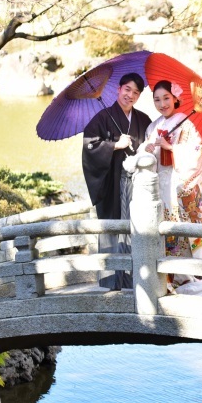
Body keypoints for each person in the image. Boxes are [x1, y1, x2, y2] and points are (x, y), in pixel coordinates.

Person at [140, 79, 202, 298]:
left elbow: (196, 151)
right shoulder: (153, 126)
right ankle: (172, 277)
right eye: (157, 100)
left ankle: (193, 276)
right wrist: (148, 149)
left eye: (166, 98)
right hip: (161, 189)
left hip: (181, 188)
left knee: (186, 232)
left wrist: (171, 147)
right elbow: (147, 156)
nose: (162, 104)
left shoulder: (187, 123)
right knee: (167, 234)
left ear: (175, 98)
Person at [82, 72, 151, 290]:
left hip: (136, 186)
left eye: (136, 92)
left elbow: (150, 148)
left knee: (137, 230)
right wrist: (114, 145)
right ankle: (110, 285)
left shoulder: (143, 120)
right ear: (119, 89)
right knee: (113, 231)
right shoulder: (102, 118)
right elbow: (89, 147)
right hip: (112, 185)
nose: (130, 95)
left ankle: (135, 282)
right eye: (127, 89)